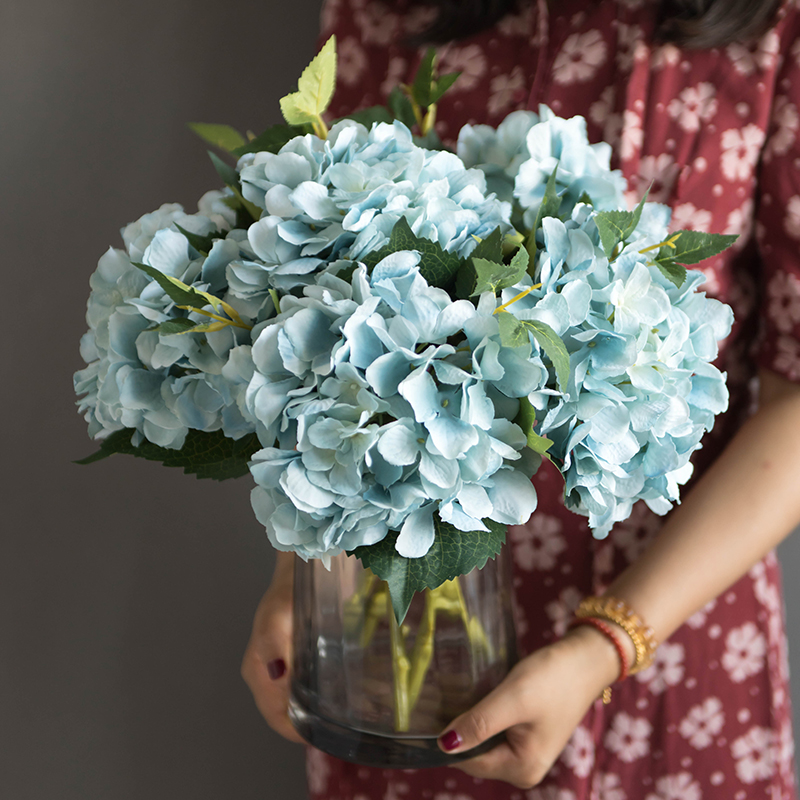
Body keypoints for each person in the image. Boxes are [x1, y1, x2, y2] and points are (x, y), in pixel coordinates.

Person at [241, 0, 800, 796]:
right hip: (403, 657)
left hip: (671, 647)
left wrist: (605, 645)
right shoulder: (384, 9)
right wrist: (296, 577)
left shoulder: (775, 25)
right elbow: (327, 320)